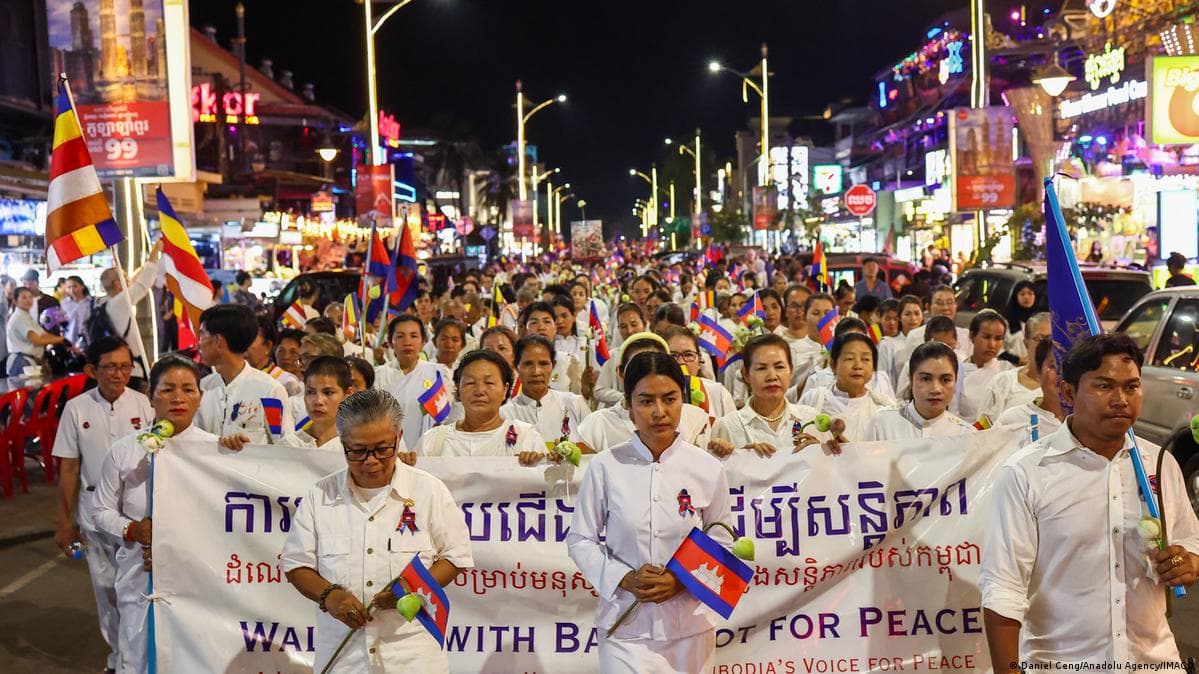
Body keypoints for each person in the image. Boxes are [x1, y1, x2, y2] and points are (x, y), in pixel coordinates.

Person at [980, 333, 1199, 666]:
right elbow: (1002, 587)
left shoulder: (1159, 463)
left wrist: (1186, 563)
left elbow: (1191, 541)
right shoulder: (1027, 473)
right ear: (1069, 392)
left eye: (1131, 386)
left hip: (1153, 661)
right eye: (1104, 386)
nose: (1121, 400)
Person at [281, 389, 472, 673]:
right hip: (344, 658)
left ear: (398, 437)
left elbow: (456, 557)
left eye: (383, 449)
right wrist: (330, 596)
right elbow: (297, 564)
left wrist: (413, 589)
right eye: (358, 451)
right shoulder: (319, 496)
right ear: (342, 442)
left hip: (412, 659)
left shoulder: (428, 491)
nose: (371, 461)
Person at [567, 350, 732, 672]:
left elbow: (723, 541)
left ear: (682, 401)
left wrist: (681, 580)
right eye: (645, 401)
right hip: (624, 627)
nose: (659, 412)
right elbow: (581, 539)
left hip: (691, 626)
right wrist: (624, 578)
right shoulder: (605, 466)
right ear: (629, 407)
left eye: (669, 399)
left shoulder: (707, 468)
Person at [93, 356, 216, 674]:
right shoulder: (125, 451)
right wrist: (132, 530)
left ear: (200, 396)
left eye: (188, 389)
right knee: (137, 658)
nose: (178, 398)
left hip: (197, 583)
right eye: (168, 389)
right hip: (139, 580)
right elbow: (100, 511)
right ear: (150, 395)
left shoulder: (217, 452)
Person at [51, 337, 152, 673]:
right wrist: (64, 521)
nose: (119, 374)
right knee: (107, 591)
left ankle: (137, 659)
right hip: (95, 519)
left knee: (137, 593)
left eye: (125, 366)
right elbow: (68, 467)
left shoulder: (145, 406)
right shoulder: (76, 408)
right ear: (92, 370)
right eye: (110, 367)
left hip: (136, 522)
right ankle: (117, 658)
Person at [577, 334, 713, 454]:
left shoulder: (694, 420)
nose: (659, 413)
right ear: (621, 372)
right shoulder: (596, 425)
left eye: (670, 399)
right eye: (639, 367)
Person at [411, 350, 546, 465]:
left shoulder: (526, 437)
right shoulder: (433, 441)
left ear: (505, 390)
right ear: (458, 389)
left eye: (489, 383)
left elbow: (551, 488)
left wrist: (539, 464)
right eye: (470, 383)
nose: (479, 391)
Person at [709, 334, 823, 458]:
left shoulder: (811, 419)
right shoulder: (727, 426)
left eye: (779, 367)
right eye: (761, 368)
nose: (772, 376)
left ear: (791, 370)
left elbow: (828, 472)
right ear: (745, 374)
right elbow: (719, 474)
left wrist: (822, 453)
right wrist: (741, 457)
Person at [195, 304, 293, 443]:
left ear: (218, 341)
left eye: (201, 335)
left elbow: (285, 445)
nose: (198, 343)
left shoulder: (269, 391)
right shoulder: (202, 387)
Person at [863, 342, 973, 441]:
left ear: (956, 381)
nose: (936, 389)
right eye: (925, 379)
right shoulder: (882, 424)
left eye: (946, 380)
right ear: (910, 379)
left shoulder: (966, 435)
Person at [799, 332, 893, 442]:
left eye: (865, 359)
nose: (858, 366)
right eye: (849, 358)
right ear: (833, 365)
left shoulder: (883, 407)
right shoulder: (813, 399)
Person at [377, 315, 454, 449]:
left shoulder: (438, 373)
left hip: (429, 452)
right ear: (390, 342)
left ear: (423, 341)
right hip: (388, 450)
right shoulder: (379, 375)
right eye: (400, 336)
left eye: (414, 336)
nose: (407, 342)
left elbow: (446, 417)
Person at [501, 335, 591, 446]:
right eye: (528, 364)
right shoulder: (505, 413)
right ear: (516, 367)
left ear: (553, 366)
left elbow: (594, 448)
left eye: (543, 364)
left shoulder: (575, 403)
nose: (536, 372)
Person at [98, 240, 162, 379]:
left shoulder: (103, 302)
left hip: (117, 362)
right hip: (131, 369)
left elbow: (133, 281)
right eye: (124, 278)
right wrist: (154, 252)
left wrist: (143, 267)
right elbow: (143, 284)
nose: (128, 280)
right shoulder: (119, 302)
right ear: (117, 284)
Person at [978, 312, 1051, 422]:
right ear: (1026, 343)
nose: (1046, 346)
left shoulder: (1064, 388)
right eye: (1039, 339)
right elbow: (983, 429)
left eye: (1051, 339)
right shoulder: (1002, 382)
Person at [995, 338, 1065, 444]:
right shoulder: (1012, 419)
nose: (1061, 375)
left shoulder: (1089, 421)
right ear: (1038, 371)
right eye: (1054, 366)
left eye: (1067, 367)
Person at [957, 310, 1014, 422]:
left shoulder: (1008, 371)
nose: (992, 344)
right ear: (972, 336)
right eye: (986, 337)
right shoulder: (957, 372)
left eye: (998, 339)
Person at [593, 304, 648, 409]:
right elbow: (599, 391)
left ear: (644, 324)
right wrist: (625, 397)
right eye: (623, 327)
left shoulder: (655, 352)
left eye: (634, 324)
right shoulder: (613, 356)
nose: (629, 330)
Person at [6, 286, 66, 376]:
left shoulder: (27, 316)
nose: (28, 300)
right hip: (21, 361)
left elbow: (43, 335)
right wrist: (61, 339)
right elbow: (37, 340)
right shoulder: (19, 317)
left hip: (30, 360)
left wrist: (63, 339)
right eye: (24, 298)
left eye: (30, 297)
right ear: (15, 301)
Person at [904, 285, 971, 360]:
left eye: (950, 302)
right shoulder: (914, 336)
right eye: (939, 303)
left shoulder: (966, 335)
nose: (945, 307)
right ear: (928, 307)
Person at [247, 317, 303, 396]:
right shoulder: (236, 377)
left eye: (251, 339)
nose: (286, 357)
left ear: (268, 346)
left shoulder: (287, 383)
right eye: (281, 351)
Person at [60, 275, 92, 350]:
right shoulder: (64, 303)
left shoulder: (91, 302)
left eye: (75, 286)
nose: (72, 290)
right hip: (70, 340)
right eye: (69, 287)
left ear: (82, 286)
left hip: (88, 339)